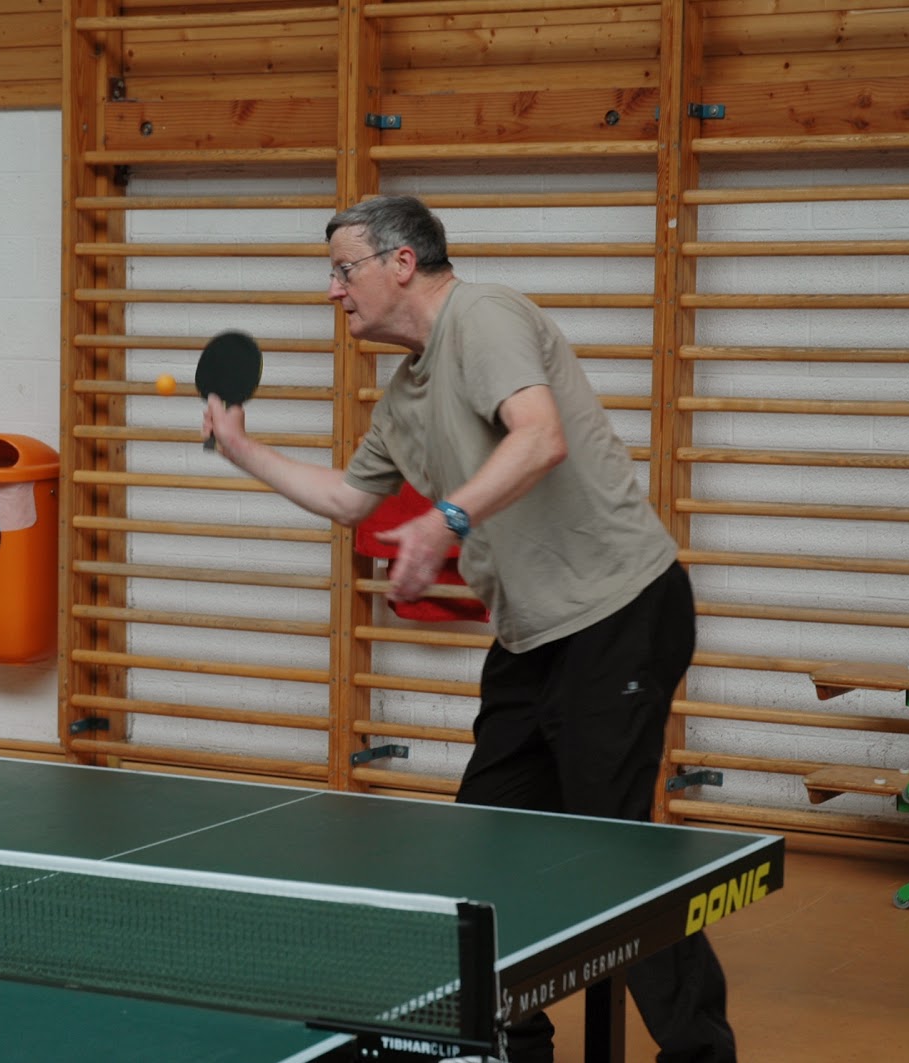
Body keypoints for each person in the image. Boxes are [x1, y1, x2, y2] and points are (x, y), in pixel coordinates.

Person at [201, 194, 734, 1063]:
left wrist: (444, 520)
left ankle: (701, 1054)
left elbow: (540, 437)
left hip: (621, 612)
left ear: (401, 262)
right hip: (531, 638)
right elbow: (349, 499)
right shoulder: (402, 396)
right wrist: (241, 448)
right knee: (488, 847)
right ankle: (515, 1043)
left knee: (612, 851)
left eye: (343, 270)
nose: (333, 291)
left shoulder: (483, 315)